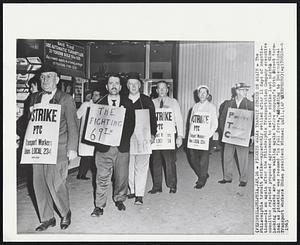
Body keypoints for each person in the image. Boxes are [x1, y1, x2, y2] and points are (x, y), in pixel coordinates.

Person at [29, 63, 79, 231]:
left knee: (56, 183)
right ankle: (47, 217)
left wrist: (72, 148)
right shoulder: (34, 97)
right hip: (38, 147)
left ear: (57, 79)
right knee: (39, 183)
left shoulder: (66, 98)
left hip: (59, 148)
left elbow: (73, 125)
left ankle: (65, 212)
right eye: (42, 77)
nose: (45, 80)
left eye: (49, 76)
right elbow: (29, 122)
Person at [90, 74, 135, 217]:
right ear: (107, 86)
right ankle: (99, 206)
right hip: (103, 148)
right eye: (111, 83)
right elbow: (93, 126)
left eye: (117, 83)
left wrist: (120, 137)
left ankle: (120, 199)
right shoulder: (99, 104)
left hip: (121, 147)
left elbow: (131, 125)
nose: (114, 85)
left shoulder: (128, 103)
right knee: (102, 177)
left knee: (121, 177)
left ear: (121, 87)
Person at [126, 72, 157, 205]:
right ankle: (132, 190)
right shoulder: (123, 100)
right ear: (127, 86)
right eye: (130, 84)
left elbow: (153, 119)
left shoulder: (146, 100)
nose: (133, 86)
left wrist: (153, 134)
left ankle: (139, 194)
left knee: (141, 167)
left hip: (143, 138)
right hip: (126, 139)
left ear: (139, 85)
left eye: (136, 84)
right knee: (129, 166)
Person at [149, 81, 184, 194]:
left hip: (169, 136)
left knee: (170, 161)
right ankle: (157, 186)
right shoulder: (152, 102)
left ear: (167, 90)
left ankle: (172, 185)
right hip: (156, 137)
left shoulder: (173, 102)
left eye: (164, 88)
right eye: (160, 88)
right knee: (156, 161)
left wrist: (180, 136)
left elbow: (178, 119)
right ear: (157, 90)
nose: (162, 90)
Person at [218, 82, 254, 187]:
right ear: (237, 91)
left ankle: (243, 179)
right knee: (227, 156)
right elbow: (222, 118)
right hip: (230, 135)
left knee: (243, 157)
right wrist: (224, 131)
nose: (246, 92)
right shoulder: (228, 103)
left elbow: (254, 120)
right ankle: (227, 177)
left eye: (246, 90)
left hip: (243, 135)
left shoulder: (250, 104)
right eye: (243, 90)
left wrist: (252, 134)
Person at [188, 85, 218, 189]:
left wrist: (208, 135)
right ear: (198, 94)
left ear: (208, 95)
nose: (202, 94)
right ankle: (203, 173)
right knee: (192, 158)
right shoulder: (195, 106)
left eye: (204, 93)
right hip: (195, 137)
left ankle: (201, 180)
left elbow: (215, 124)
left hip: (206, 137)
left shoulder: (211, 107)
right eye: (200, 92)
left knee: (203, 159)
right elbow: (191, 121)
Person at [76, 89, 101, 180]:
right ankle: (81, 174)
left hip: (96, 135)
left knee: (91, 156)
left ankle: (83, 174)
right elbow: (77, 116)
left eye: (97, 95)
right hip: (86, 133)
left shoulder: (101, 106)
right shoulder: (86, 105)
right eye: (93, 95)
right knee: (86, 156)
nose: (94, 97)